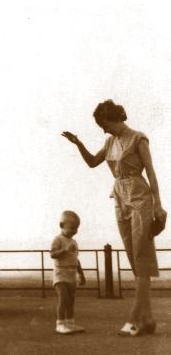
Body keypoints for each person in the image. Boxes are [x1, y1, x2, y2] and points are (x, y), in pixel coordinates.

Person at [62, 99, 167, 336]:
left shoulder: (139, 138)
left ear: (114, 117)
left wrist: (158, 205)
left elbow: (151, 172)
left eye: (104, 123)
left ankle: (135, 319)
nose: (103, 128)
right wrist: (78, 143)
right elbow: (92, 163)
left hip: (140, 196)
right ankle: (148, 318)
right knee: (133, 257)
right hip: (119, 196)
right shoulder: (109, 141)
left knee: (141, 257)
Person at [50, 210, 86, 334]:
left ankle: (70, 323)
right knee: (63, 298)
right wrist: (65, 250)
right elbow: (53, 254)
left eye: (76, 228)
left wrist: (81, 274)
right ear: (61, 225)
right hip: (60, 274)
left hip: (71, 274)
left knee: (71, 300)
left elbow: (76, 259)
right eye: (71, 228)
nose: (74, 231)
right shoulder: (58, 239)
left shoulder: (74, 242)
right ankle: (60, 323)